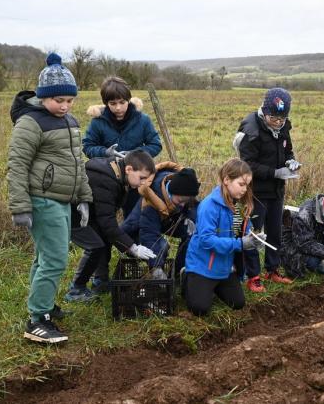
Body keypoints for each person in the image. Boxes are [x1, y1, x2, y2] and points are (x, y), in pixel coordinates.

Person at [7, 52, 92, 344]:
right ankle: (37, 319)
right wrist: (20, 207)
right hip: (42, 199)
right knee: (55, 258)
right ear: (43, 97)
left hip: (63, 199)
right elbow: (17, 164)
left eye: (70, 100)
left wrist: (83, 197)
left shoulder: (69, 120)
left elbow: (77, 162)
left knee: (45, 256)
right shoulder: (30, 122)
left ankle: (42, 305)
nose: (65, 106)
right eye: (59, 100)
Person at [77, 77, 163, 292]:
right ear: (105, 104)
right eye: (112, 103)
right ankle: (101, 276)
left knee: (136, 221)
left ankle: (144, 261)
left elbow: (155, 143)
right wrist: (107, 152)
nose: (118, 108)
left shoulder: (142, 120)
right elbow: (87, 146)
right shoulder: (98, 123)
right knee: (103, 227)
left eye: (122, 102)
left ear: (129, 100)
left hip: (135, 181)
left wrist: (136, 158)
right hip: (108, 181)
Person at [64, 150, 159, 302]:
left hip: (90, 214)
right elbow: (107, 223)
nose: (143, 183)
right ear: (129, 169)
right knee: (95, 246)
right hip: (72, 214)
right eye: (142, 178)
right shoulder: (106, 180)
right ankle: (76, 289)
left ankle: (100, 281)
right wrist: (133, 248)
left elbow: (106, 221)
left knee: (104, 240)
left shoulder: (119, 173)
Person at [234, 87, 299, 292]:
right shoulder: (250, 130)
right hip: (256, 192)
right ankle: (253, 276)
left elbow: (288, 149)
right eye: (274, 118)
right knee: (254, 233)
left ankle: (272, 269)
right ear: (264, 110)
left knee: (275, 231)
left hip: (277, 191)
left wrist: (291, 162)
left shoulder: (283, 127)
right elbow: (247, 164)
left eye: (282, 118)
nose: (278, 122)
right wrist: (274, 172)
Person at [184, 158, 266, 316]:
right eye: (241, 184)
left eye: (247, 185)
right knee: (199, 308)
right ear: (226, 180)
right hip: (202, 266)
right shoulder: (209, 206)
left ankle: (211, 287)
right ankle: (188, 277)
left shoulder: (238, 205)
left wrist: (254, 239)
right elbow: (206, 240)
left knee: (238, 303)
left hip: (224, 267)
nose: (244, 189)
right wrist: (241, 244)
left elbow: (241, 232)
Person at [121, 163, 200, 279]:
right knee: (162, 246)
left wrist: (193, 219)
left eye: (186, 201)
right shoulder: (151, 202)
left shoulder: (183, 188)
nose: (183, 205)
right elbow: (149, 235)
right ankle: (156, 272)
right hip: (135, 231)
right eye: (180, 200)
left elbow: (193, 206)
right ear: (172, 191)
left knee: (193, 234)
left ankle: (178, 272)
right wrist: (156, 267)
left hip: (166, 218)